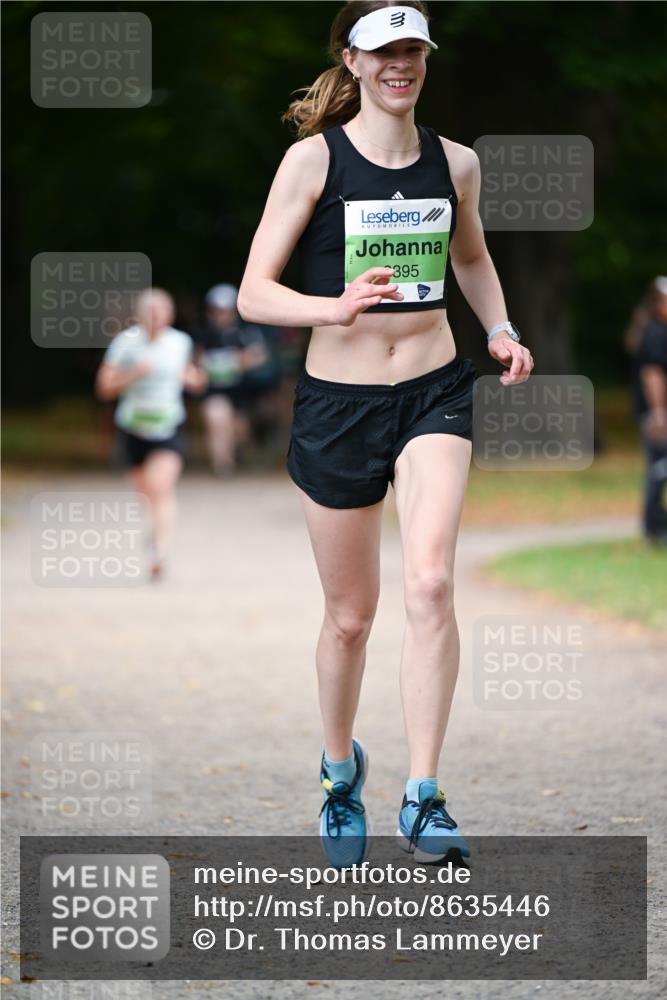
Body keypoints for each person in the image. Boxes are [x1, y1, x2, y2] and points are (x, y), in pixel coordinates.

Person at [238, 0, 534, 869]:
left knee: (433, 582)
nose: (401, 64)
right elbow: (255, 290)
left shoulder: (457, 164)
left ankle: (424, 797)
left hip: (433, 392)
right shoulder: (311, 162)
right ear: (354, 62)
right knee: (349, 618)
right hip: (338, 402)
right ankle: (339, 774)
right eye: (384, 51)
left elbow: (471, 260)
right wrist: (331, 306)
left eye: (414, 51)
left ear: (424, 61)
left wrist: (500, 330)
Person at [95, 287, 207, 579]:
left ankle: (159, 549)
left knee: (161, 487)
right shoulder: (125, 344)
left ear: (169, 314)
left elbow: (189, 375)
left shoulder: (180, 342)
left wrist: (195, 378)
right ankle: (155, 534)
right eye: (149, 311)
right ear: (139, 315)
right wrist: (133, 374)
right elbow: (104, 388)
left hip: (168, 426)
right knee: (145, 493)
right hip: (132, 427)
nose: (155, 316)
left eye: (160, 310)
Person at [193, 283, 276, 475]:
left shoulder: (245, 332)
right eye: (216, 311)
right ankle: (223, 466)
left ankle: (240, 453)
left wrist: (240, 362)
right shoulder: (202, 333)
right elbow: (194, 360)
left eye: (225, 311)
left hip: (241, 392)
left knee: (239, 432)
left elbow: (260, 355)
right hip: (213, 390)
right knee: (217, 419)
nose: (220, 315)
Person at [627, 276, 667, 545]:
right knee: (659, 468)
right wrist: (659, 412)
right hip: (658, 415)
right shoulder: (656, 333)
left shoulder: (653, 330)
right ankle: (654, 529)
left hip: (655, 413)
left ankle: (655, 526)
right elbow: (652, 374)